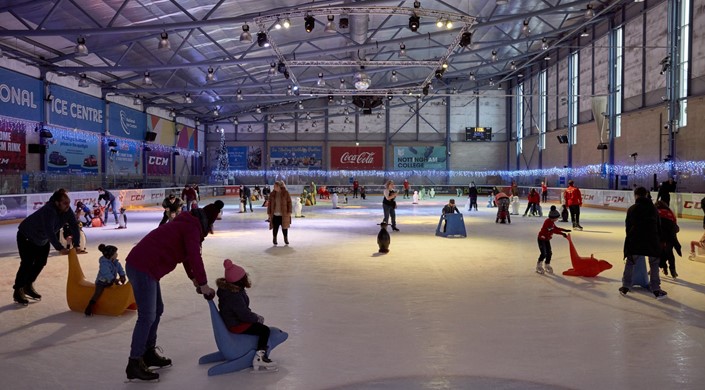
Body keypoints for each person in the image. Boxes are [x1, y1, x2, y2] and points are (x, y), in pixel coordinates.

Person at [124, 200, 224, 381]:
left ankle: (147, 352)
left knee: (157, 310)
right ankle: (134, 362)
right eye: (211, 225)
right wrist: (203, 283)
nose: (209, 230)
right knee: (147, 316)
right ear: (206, 222)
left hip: (146, 268)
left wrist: (194, 280)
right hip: (142, 267)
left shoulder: (188, 223)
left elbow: (186, 256)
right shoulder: (192, 228)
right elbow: (194, 256)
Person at [13, 188, 80, 305]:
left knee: (41, 262)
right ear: (57, 202)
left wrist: (77, 243)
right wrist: (59, 247)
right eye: (65, 203)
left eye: (69, 203)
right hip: (26, 235)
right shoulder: (49, 211)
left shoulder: (67, 211)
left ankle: (28, 285)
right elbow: (49, 231)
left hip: (41, 239)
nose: (68, 206)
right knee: (27, 263)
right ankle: (18, 290)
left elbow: (74, 225)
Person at [216, 259, 278, 372]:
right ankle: (260, 357)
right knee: (264, 331)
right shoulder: (234, 295)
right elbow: (243, 315)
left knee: (259, 327)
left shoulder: (230, 291)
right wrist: (256, 318)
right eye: (244, 277)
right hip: (236, 324)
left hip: (232, 320)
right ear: (240, 280)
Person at [619, 187, 667, 299]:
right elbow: (658, 226)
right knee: (654, 264)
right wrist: (660, 240)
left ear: (635, 195)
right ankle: (655, 288)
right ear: (646, 195)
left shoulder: (632, 209)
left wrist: (630, 239)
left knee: (630, 262)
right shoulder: (653, 209)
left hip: (636, 240)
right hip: (652, 240)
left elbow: (628, 227)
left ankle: (626, 286)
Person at [84, 244, 126, 316]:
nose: (117, 254)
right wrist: (113, 279)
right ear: (110, 255)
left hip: (112, 281)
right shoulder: (104, 264)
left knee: (119, 289)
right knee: (98, 293)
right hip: (102, 282)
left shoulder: (115, 261)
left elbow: (120, 268)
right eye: (115, 253)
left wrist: (122, 275)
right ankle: (89, 306)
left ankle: (119, 303)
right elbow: (106, 273)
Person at [536, 206, 570, 274]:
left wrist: (564, 230)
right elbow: (554, 230)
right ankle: (539, 265)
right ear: (553, 217)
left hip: (546, 239)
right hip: (541, 239)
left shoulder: (551, 222)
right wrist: (562, 233)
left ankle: (547, 264)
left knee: (549, 253)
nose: (557, 219)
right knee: (543, 253)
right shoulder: (548, 222)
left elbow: (555, 228)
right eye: (557, 218)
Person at [655, 201, 681, 278]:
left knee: (660, 253)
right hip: (670, 236)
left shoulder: (656, 211)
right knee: (669, 253)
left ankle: (663, 267)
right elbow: (675, 225)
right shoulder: (670, 212)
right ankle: (673, 270)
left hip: (660, 236)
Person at [267, 181, 292, 245]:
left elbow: (289, 202)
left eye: (275, 186)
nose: (274, 187)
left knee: (285, 228)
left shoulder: (285, 193)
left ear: (278, 186)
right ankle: (274, 239)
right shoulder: (272, 194)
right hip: (275, 215)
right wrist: (269, 213)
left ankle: (285, 239)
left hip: (283, 214)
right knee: (275, 228)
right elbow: (269, 204)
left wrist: (289, 211)